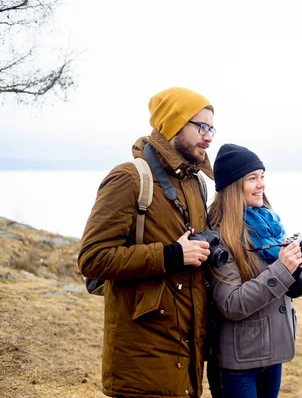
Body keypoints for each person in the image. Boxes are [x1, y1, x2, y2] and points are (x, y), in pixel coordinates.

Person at [78, 87, 217, 398]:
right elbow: (92, 258)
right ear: (172, 125)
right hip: (141, 357)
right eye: (201, 126)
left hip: (186, 355)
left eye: (212, 128)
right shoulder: (129, 178)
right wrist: (170, 255)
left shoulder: (195, 184)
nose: (209, 137)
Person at [206, 144, 302, 398]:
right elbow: (231, 304)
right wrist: (282, 268)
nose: (262, 185)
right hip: (238, 362)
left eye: (262, 176)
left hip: (272, 355)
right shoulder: (220, 236)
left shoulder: (268, 225)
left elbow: (284, 288)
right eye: (252, 178)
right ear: (233, 186)